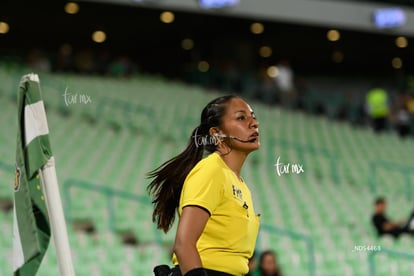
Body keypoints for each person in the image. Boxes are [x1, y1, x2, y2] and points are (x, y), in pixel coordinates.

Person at [148, 95, 261, 276]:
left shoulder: (240, 184)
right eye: (241, 117)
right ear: (217, 134)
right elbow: (184, 244)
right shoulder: (211, 171)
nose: (254, 123)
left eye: (253, 116)